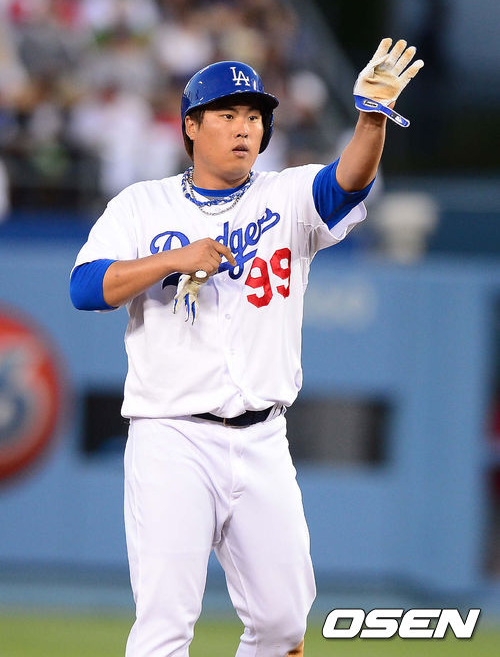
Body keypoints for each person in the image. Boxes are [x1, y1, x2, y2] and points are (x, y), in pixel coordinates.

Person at [70, 38, 423, 657]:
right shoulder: (142, 205)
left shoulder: (286, 197)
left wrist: (371, 119)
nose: (244, 128)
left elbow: (347, 183)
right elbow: (84, 288)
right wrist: (171, 259)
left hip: (263, 438)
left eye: (255, 116)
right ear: (191, 126)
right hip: (172, 437)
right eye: (227, 114)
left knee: (284, 625)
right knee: (164, 627)